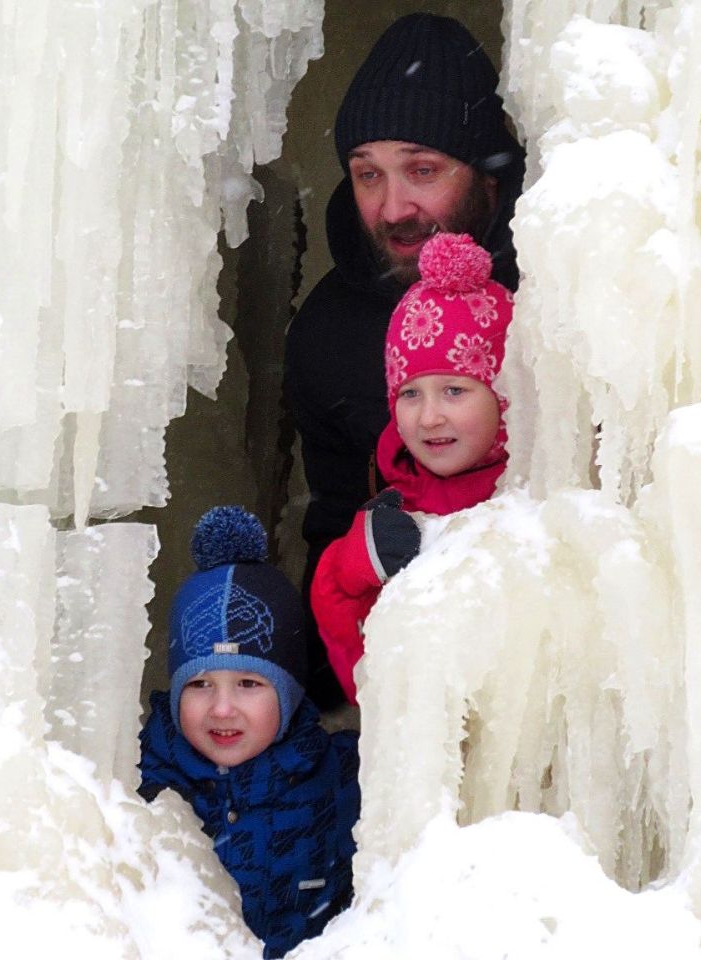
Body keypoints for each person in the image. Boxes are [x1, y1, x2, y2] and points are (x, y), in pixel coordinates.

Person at [284, 12, 524, 709]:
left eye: (422, 170)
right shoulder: (329, 334)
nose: (394, 208)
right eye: (367, 175)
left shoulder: (553, 290)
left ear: (487, 175)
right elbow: (334, 517)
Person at [138, 506, 361, 959]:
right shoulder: (142, 787)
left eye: (249, 684)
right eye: (199, 684)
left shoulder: (344, 780)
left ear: (289, 692)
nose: (222, 708)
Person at [310, 231, 513, 703]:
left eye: (455, 391)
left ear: (504, 396)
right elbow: (362, 680)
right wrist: (346, 576)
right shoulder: (390, 514)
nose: (429, 417)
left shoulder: (534, 497)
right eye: (410, 394)